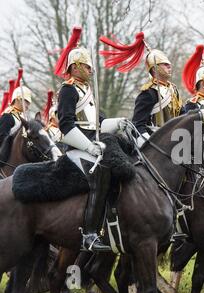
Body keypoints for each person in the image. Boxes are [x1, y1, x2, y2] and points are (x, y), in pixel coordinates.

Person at [55, 27, 126, 252]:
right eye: (87, 66)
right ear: (75, 67)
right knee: (101, 172)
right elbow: (66, 126)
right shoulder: (68, 90)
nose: (91, 70)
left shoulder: (86, 90)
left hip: (91, 145)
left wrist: (119, 123)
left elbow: (98, 123)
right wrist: (89, 146)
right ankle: (89, 233)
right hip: (76, 148)